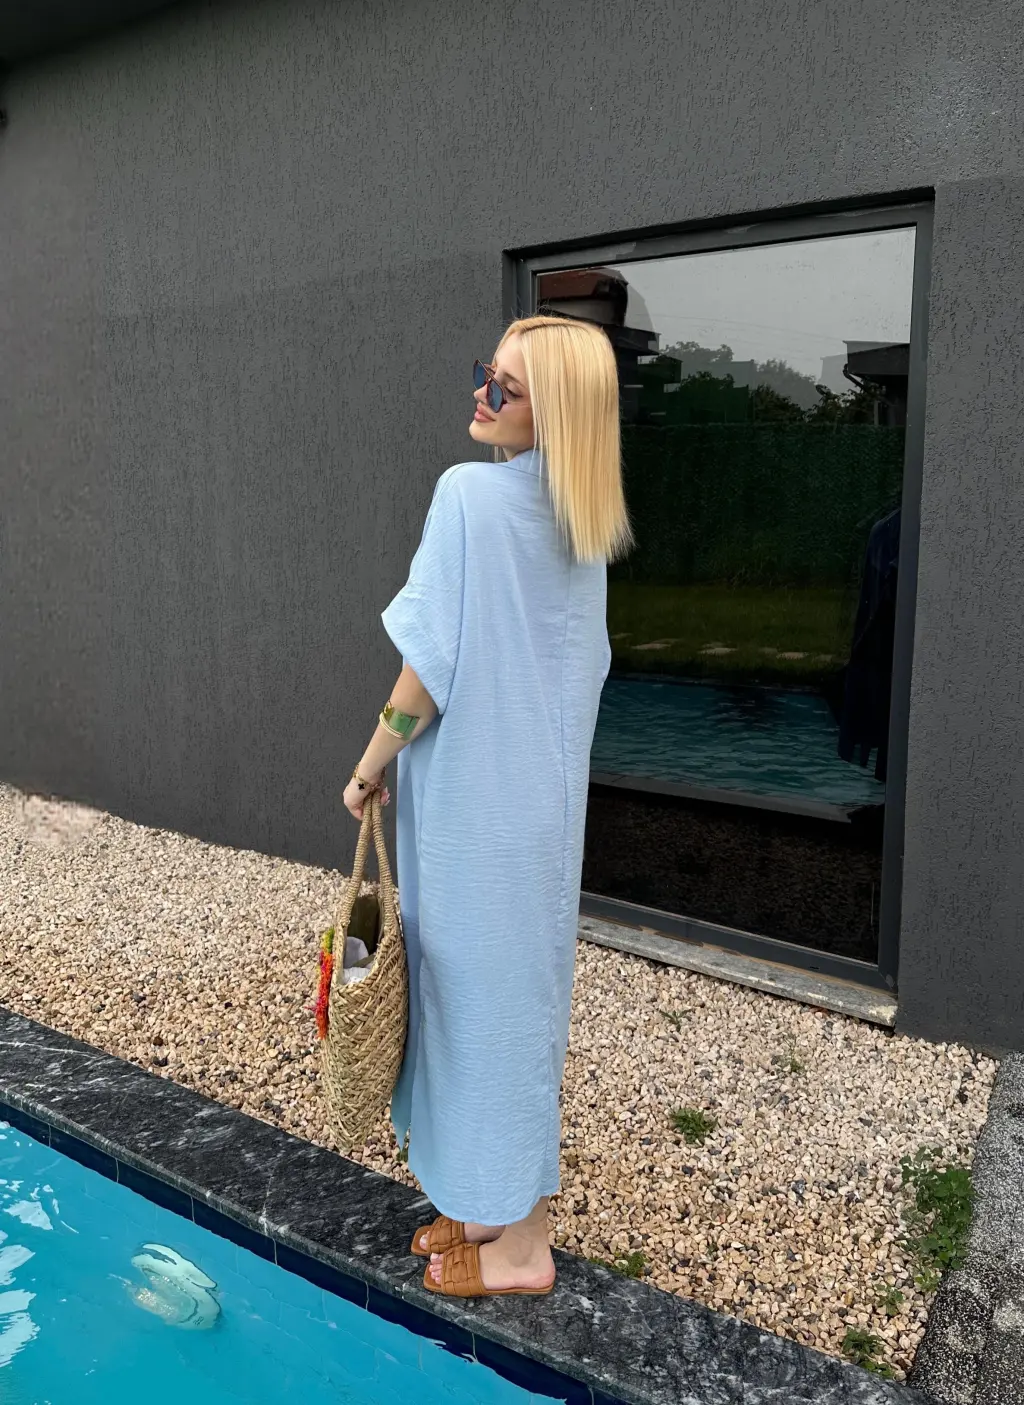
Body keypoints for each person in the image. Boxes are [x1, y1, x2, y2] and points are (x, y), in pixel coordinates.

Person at [342, 314, 630, 1299]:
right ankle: (481, 1206)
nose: (480, 392)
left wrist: (369, 764)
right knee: (510, 1009)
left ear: (557, 412)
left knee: (474, 1009)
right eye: (485, 372)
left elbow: (426, 668)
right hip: (537, 816)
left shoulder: (468, 495)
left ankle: (521, 1247)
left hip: (471, 811)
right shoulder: (582, 526)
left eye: (503, 386)